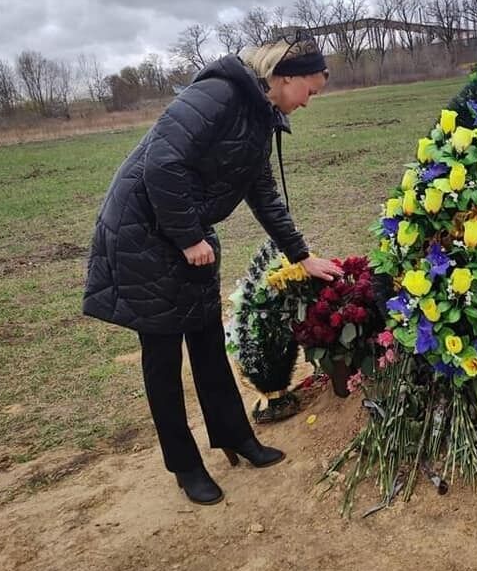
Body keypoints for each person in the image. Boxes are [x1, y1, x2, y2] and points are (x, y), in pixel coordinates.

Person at [82, 30, 342, 505]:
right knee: (162, 358)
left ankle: (235, 438)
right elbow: (161, 163)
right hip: (142, 234)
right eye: (310, 91)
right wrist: (189, 237)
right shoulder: (218, 93)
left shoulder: (261, 118)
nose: (309, 103)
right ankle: (185, 466)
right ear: (285, 78)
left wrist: (302, 256)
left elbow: (262, 194)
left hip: (187, 234)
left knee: (206, 340)